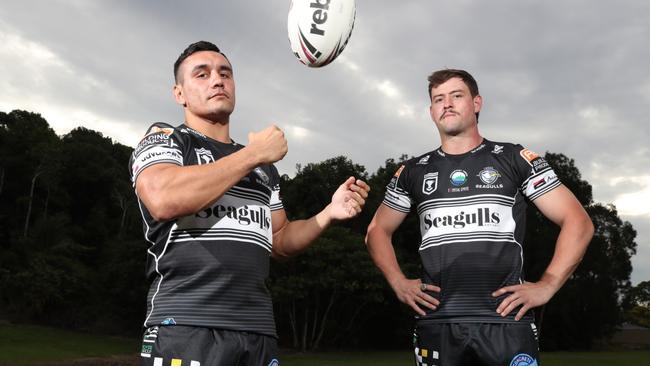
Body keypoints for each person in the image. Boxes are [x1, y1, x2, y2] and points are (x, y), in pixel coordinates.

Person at [129, 41, 370, 366]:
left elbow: (280, 241)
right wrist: (254, 153)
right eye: (202, 74)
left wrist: (328, 214)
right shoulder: (168, 140)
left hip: (257, 332)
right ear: (179, 93)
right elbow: (162, 197)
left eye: (225, 73)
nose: (217, 80)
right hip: (186, 326)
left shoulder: (262, 168)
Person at [365, 69, 594, 366]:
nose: (446, 104)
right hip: (437, 324)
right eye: (438, 99)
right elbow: (377, 231)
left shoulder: (513, 158)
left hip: (506, 323)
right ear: (431, 111)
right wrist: (397, 281)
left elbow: (578, 222)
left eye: (456, 96)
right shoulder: (413, 171)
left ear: (476, 103)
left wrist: (548, 284)